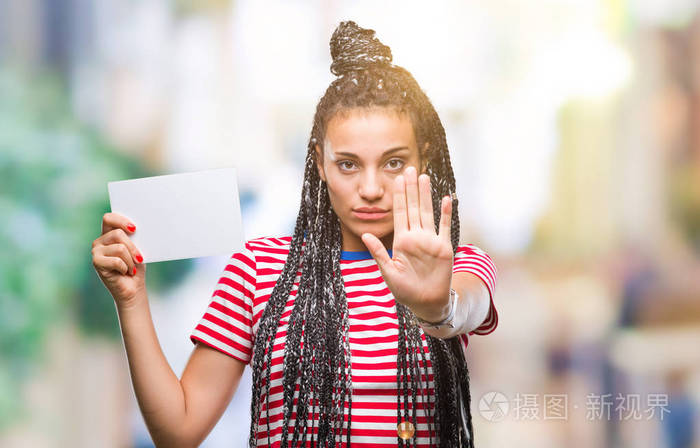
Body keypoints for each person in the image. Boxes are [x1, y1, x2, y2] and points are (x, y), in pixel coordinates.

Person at [92, 20, 498, 448]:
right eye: (348, 164)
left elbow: (467, 303)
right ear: (320, 164)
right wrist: (131, 299)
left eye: (394, 162)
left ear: (424, 158)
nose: (372, 188)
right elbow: (177, 432)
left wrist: (438, 308)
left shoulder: (455, 264)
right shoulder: (257, 268)